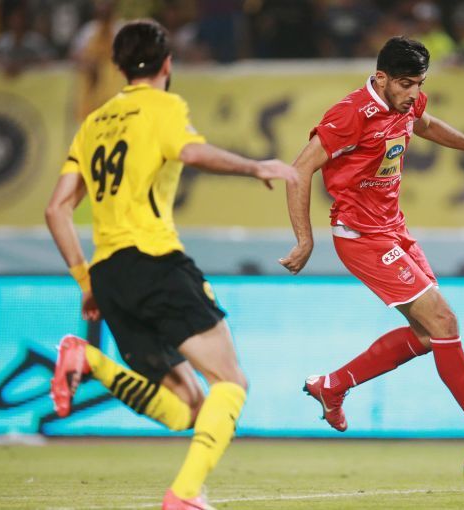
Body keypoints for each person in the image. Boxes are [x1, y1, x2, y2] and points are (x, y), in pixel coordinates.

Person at [45, 19, 297, 510]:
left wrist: (84, 280)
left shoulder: (93, 124)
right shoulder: (163, 106)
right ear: (167, 63)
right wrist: (253, 166)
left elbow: (56, 209)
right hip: (154, 261)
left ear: (119, 66)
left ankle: (89, 360)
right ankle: (183, 496)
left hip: (109, 276)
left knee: (188, 408)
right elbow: (191, 151)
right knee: (230, 382)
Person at [280, 36, 464, 452]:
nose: (414, 94)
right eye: (405, 84)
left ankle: (332, 385)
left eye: (419, 84)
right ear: (381, 78)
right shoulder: (351, 114)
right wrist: (304, 239)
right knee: (444, 323)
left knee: (427, 335)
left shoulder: (406, 102)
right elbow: (299, 169)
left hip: (394, 230)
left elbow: (427, 124)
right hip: (362, 236)